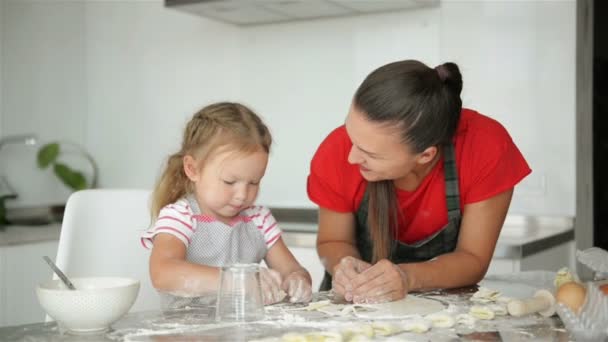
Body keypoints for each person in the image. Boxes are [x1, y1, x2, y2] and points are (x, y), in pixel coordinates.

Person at [307, 60, 531, 304]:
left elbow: (473, 258)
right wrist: (344, 267)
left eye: (370, 154)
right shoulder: (336, 150)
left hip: (444, 310)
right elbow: (333, 241)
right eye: (351, 136)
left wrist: (407, 277)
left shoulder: (485, 146)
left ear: (425, 155)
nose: (351, 157)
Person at [141, 102, 312, 308]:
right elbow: (163, 273)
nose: (242, 196)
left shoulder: (259, 220)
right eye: (230, 182)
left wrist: (298, 281)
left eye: (254, 182)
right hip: (188, 334)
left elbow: (292, 270)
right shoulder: (181, 217)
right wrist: (232, 281)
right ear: (192, 169)